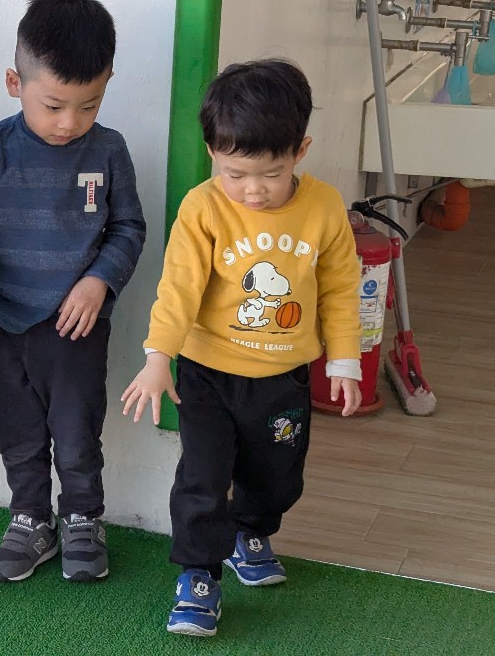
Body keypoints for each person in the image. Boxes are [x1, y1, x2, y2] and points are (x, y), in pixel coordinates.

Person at [120, 59, 363, 637]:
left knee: (277, 476)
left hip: (284, 376)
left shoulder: (325, 207)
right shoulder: (203, 208)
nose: (253, 190)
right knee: (202, 477)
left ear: (299, 151)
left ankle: (249, 531)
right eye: (235, 173)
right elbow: (178, 288)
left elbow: (340, 287)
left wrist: (345, 359)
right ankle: (198, 574)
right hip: (208, 374)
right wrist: (158, 357)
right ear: (212, 153)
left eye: (271, 174)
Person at [0, 0, 147, 583]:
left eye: (89, 105)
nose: (70, 122)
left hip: (77, 327)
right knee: (17, 430)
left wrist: (98, 281)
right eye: (54, 105)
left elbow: (129, 228)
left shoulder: (108, 150)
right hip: (7, 321)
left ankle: (83, 518)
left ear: (108, 83)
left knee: (77, 431)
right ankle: (30, 519)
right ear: (15, 83)